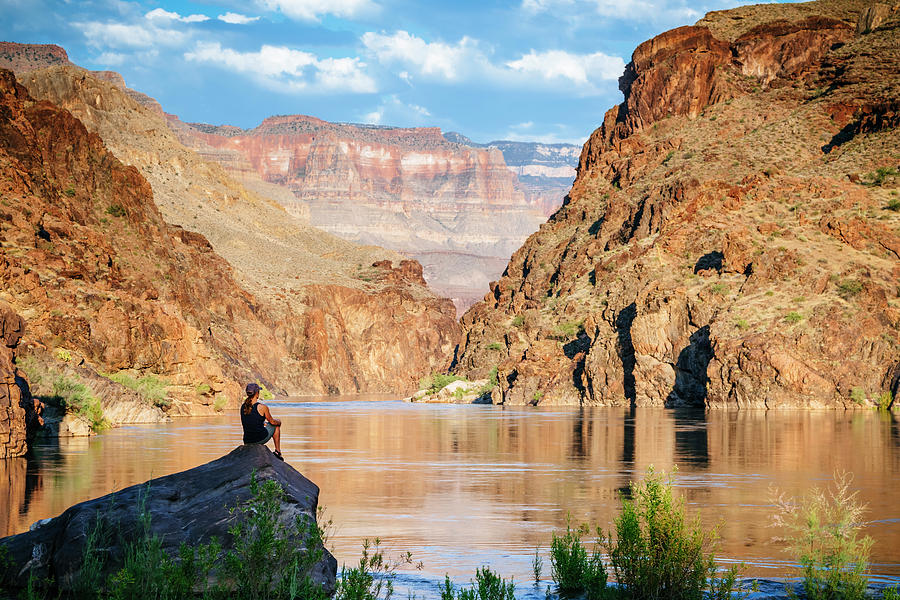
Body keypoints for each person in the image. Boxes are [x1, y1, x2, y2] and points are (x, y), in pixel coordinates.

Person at [240, 382, 283, 460]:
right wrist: (279, 421)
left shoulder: (243, 407)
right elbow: (272, 422)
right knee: (276, 426)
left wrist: (263, 423)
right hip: (259, 439)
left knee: (266, 424)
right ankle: (278, 451)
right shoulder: (262, 407)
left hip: (247, 440)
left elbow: (250, 421)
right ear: (257, 393)